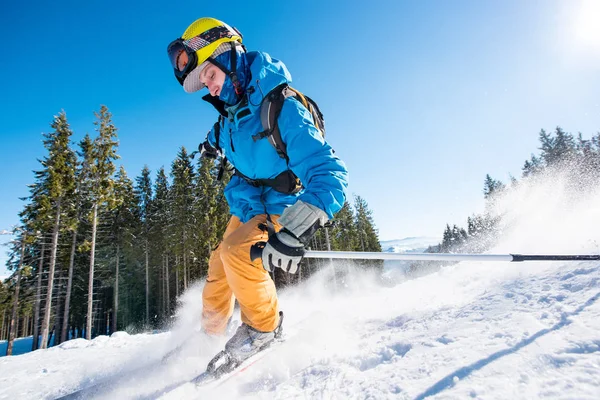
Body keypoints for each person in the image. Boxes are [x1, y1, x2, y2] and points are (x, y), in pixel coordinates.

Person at [167, 17, 348, 364]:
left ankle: (264, 328)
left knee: (236, 252)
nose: (210, 88)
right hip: (250, 204)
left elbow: (329, 172)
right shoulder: (230, 117)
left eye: (211, 75)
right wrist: (208, 146)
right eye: (204, 81)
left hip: (284, 204)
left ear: (228, 57)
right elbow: (221, 135)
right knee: (220, 261)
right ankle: (210, 333)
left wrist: (297, 229)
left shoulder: (282, 107)